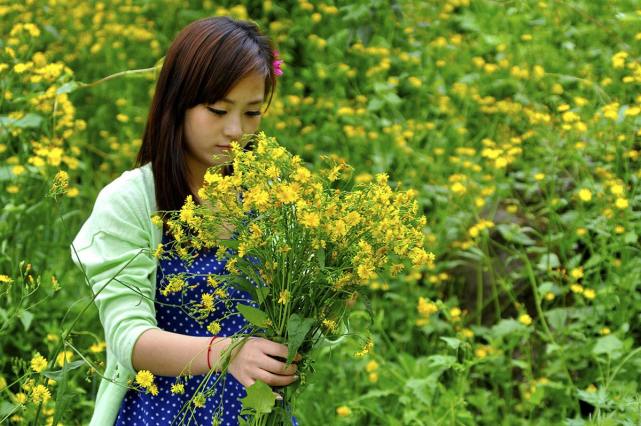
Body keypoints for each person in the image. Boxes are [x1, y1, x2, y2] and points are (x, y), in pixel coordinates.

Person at [71, 16, 299, 426]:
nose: (235, 131)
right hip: (159, 411)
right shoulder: (130, 201)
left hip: (254, 413)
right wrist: (228, 352)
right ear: (178, 100)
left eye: (251, 113)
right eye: (217, 110)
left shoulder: (268, 194)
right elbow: (129, 338)